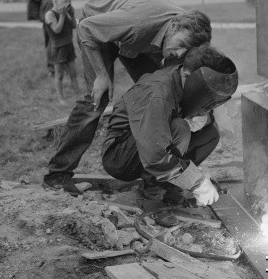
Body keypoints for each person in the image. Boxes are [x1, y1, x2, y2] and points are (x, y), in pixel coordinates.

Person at [42, 0, 212, 195]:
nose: (181, 55)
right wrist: (101, 75)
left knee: (161, 90)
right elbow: (86, 29)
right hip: (98, 32)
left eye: (188, 51)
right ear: (174, 27)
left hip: (132, 42)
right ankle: (58, 174)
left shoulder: (183, 30)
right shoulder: (138, 24)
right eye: (182, 46)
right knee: (95, 101)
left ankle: (158, 168)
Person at [102, 44, 238, 207]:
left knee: (209, 134)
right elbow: (155, 153)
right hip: (120, 156)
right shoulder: (158, 93)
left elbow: (202, 111)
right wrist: (197, 183)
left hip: (150, 143)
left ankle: (170, 188)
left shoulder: (184, 80)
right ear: (188, 76)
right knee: (181, 128)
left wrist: (204, 117)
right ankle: (151, 196)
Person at [44, 0, 81, 104]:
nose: (68, 3)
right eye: (65, 1)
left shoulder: (67, 11)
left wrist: (72, 13)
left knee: (73, 73)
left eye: (69, 0)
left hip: (68, 46)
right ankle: (61, 98)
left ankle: (78, 95)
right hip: (57, 48)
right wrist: (63, 15)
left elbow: (74, 26)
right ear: (55, 2)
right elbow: (57, 29)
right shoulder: (50, 14)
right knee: (59, 75)